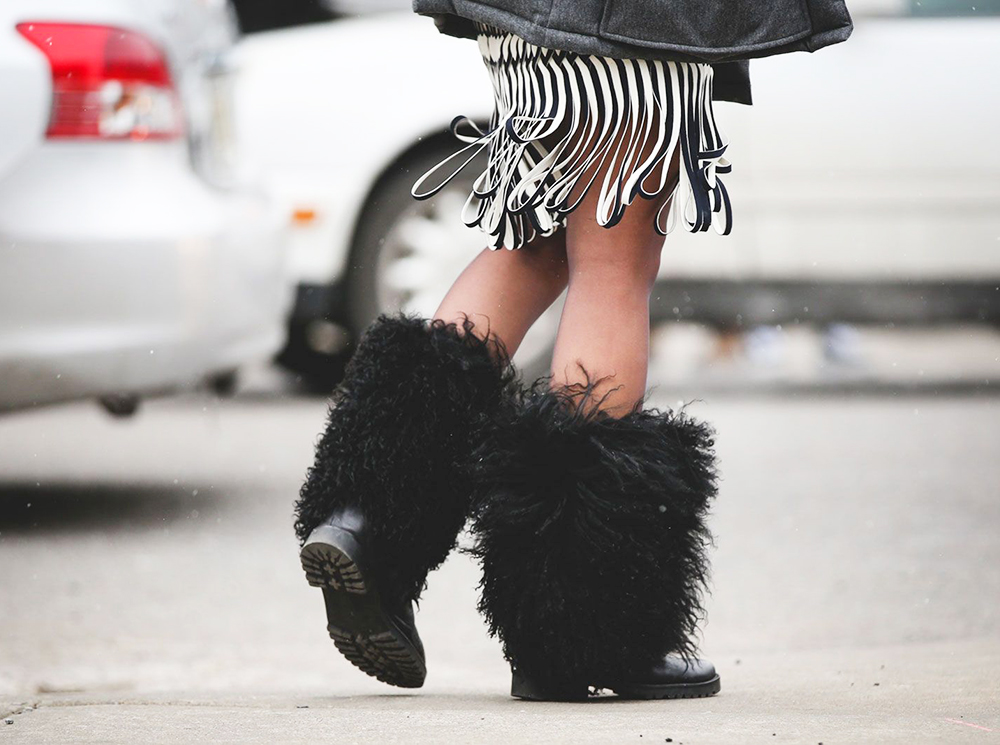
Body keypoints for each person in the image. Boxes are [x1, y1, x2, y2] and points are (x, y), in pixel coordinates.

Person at [294, 0, 852, 701]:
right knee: (615, 260)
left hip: (524, 17)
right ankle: (581, 629)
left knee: (538, 240)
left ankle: (369, 517)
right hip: (633, 23)